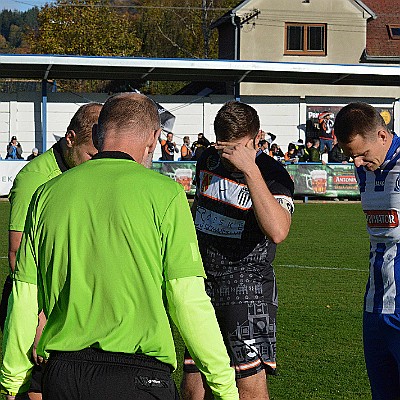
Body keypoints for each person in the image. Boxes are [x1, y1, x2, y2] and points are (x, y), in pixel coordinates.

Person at [0, 92, 238, 400]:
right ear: (154, 138)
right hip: (140, 377)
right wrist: (224, 386)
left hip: (65, 376)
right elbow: (187, 297)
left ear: (100, 133)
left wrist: (12, 379)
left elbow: (25, 295)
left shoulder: (46, 194)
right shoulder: (166, 195)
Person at [182, 101, 294, 400]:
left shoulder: (273, 173)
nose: (229, 156)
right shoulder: (208, 159)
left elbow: (279, 231)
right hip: (203, 282)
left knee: (248, 381)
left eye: (238, 148)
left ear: (257, 139)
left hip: (247, 287)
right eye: (223, 148)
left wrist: (251, 170)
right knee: (194, 377)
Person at [1, 102, 102, 400]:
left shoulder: (87, 171)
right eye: (91, 155)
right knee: (35, 385)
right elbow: (17, 253)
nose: (96, 163)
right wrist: (39, 317)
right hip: (37, 298)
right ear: (70, 138)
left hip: (72, 295)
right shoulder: (34, 178)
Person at [334, 102, 400, 400]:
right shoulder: (365, 171)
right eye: (351, 157)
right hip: (375, 306)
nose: (357, 163)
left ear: (383, 136)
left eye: (362, 153)